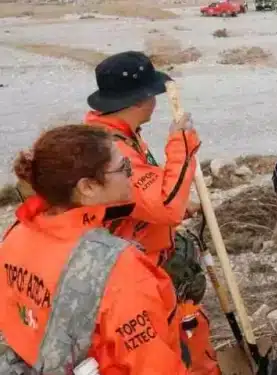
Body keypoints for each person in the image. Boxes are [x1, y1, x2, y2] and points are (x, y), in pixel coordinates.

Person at [0, 125, 189, 374]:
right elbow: (152, 365)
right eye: (124, 168)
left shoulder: (17, 235)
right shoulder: (117, 267)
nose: (131, 176)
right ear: (88, 187)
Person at [83, 51, 217, 375]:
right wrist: (181, 143)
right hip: (132, 279)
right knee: (160, 356)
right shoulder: (115, 149)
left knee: (186, 332)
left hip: (144, 260)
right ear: (143, 99)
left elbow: (141, 200)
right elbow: (165, 207)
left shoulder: (115, 136)